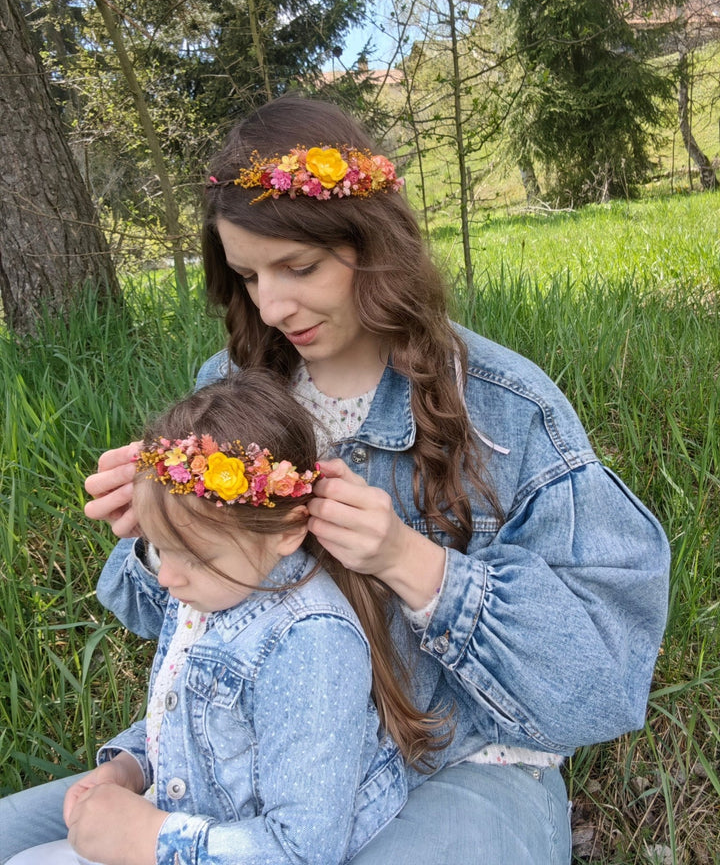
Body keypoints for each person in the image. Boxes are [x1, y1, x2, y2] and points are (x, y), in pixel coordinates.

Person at [0, 96, 670, 865]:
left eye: (301, 267)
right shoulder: (233, 387)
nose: (274, 306)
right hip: (257, 755)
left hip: (455, 762)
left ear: (372, 245)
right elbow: (191, 622)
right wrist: (159, 535)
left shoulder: (506, 411)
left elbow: (602, 681)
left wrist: (410, 564)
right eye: (250, 276)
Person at [6, 372, 422, 865]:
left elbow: (304, 848)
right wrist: (129, 767)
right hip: (187, 820)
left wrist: (152, 838)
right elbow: (191, 725)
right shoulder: (217, 587)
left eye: (195, 557)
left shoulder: (309, 644)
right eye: (160, 551)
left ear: (287, 532)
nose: (166, 579)